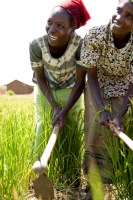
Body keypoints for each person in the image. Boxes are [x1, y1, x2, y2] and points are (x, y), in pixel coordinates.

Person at [29, 0, 90, 187]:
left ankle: (72, 176)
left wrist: (64, 112)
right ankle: (37, 179)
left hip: (71, 90)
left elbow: (81, 82)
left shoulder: (81, 45)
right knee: (43, 127)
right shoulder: (36, 45)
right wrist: (55, 108)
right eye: (50, 22)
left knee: (72, 127)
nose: (51, 29)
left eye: (60, 25)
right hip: (46, 90)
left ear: (72, 29)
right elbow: (40, 78)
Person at [79, 0, 133, 184]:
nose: (120, 18)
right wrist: (102, 110)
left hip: (124, 83)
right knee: (95, 123)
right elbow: (91, 75)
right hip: (98, 81)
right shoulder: (95, 35)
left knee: (120, 126)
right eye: (119, 11)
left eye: (129, 16)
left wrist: (119, 114)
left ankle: (115, 177)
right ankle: (93, 180)